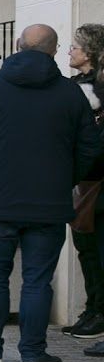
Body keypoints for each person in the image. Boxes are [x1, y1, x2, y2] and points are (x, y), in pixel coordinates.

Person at [0, 24, 100, 362]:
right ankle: (33, 353)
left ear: (17, 46)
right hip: (49, 204)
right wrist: (64, 178)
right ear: (54, 51)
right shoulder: (70, 93)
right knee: (37, 280)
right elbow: (91, 147)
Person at [64, 24, 104, 339]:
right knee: (85, 248)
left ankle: (98, 312)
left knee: (94, 248)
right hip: (81, 178)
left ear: (88, 51)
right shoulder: (75, 84)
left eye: (74, 46)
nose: (69, 51)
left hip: (96, 178)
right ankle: (92, 308)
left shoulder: (97, 88)